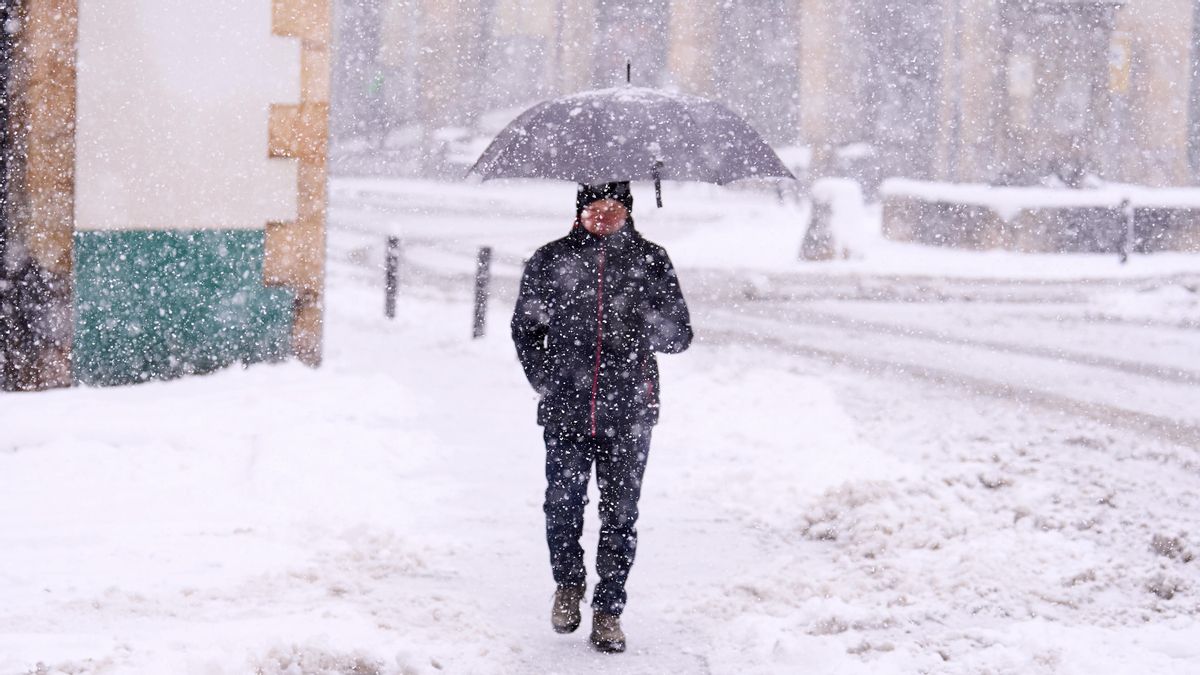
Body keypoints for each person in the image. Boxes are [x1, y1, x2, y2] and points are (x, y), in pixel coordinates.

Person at [511, 181, 693, 653]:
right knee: (563, 503)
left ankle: (609, 610)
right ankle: (569, 585)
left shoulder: (650, 259)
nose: (603, 215)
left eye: (613, 207)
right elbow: (526, 329)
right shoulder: (550, 259)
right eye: (594, 206)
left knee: (621, 514)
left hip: (630, 408)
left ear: (628, 212)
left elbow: (679, 336)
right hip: (567, 408)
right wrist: (547, 379)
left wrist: (647, 316)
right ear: (579, 211)